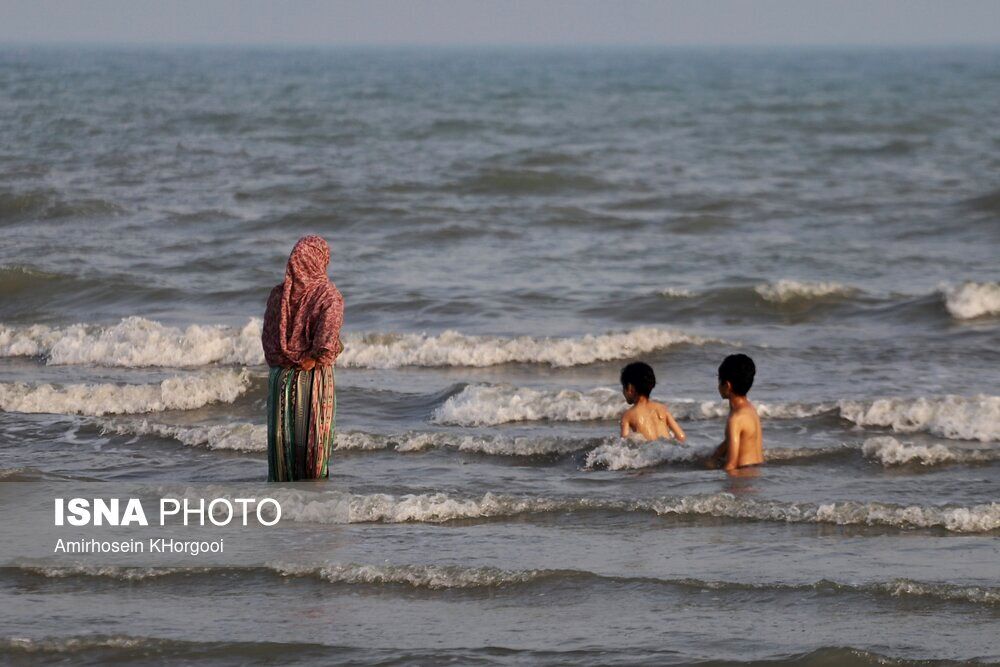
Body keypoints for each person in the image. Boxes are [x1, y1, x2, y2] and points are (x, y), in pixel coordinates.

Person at [261, 235, 344, 481]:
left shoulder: (279, 295)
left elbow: (269, 341)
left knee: (282, 460)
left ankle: (284, 510)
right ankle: (311, 509)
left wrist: (287, 361)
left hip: (281, 381)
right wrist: (316, 357)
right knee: (314, 452)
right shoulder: (329, 296)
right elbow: (325, 344)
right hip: (313, 380)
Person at [707, 354, 763, 472]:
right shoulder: (750, 409)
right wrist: (714, 457)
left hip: (743, 478)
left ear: (727, 385)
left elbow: (731, 465)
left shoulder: (736, 419)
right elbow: (731, 440)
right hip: (755, 470)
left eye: (719, 380)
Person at [619, 362, 686, 442]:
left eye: (623, 387)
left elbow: (624, 443)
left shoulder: (628, 415)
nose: (622, 391)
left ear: (630, 389)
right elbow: (681, 436)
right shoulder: (662, 409)